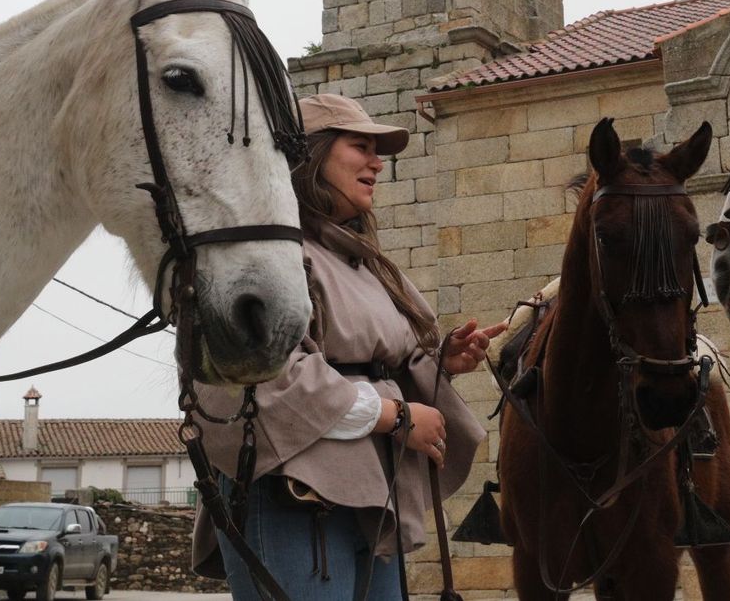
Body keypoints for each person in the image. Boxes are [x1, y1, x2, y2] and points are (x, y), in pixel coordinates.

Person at [190, 93, 505, 601]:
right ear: (310, 157)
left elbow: (371, 361)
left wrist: (437, 364)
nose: (377, 163)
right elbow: (269, 377)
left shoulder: (364, 261)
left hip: (370, 487)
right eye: (360, 146)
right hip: (294, 493)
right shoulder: (266, 258)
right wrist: (398, 418)